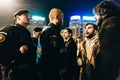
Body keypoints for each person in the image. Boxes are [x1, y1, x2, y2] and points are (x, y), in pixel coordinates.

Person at [0, 9, 36, 80]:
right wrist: (18, 52)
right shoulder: (9, 30)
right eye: (26, 16)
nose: (29, 17)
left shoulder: (26, 32)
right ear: (18, 18)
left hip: (28, 71)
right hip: (15, 72)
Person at [93, 1, 120, 80]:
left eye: (96, 14)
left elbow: (108, 58)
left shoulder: (110, 26)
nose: (95, 17)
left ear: (103, 12)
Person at [39, 8, 65, 80]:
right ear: (57, 17)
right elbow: (50, 54)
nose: (63, 20)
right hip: (51, 72)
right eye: (62, 17)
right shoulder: (51, 32)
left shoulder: (49, 30)